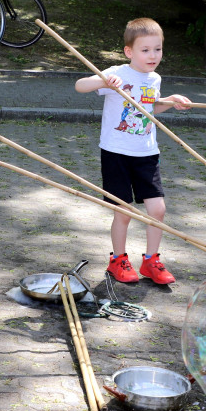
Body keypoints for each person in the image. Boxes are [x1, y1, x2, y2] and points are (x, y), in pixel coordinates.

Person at [74, 18, 192, 284]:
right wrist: (102, 82)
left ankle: (151, 261)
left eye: (157, 49)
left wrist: (171, 102)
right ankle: (118, 260)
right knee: (123, 211)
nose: (153, 55)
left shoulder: (155, 78)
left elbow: (149, 109)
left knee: (158, 209)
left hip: (147, 153)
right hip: (116, 153)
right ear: (129, 52)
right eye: (146, 50)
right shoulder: (118, 73)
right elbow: (80, 85)